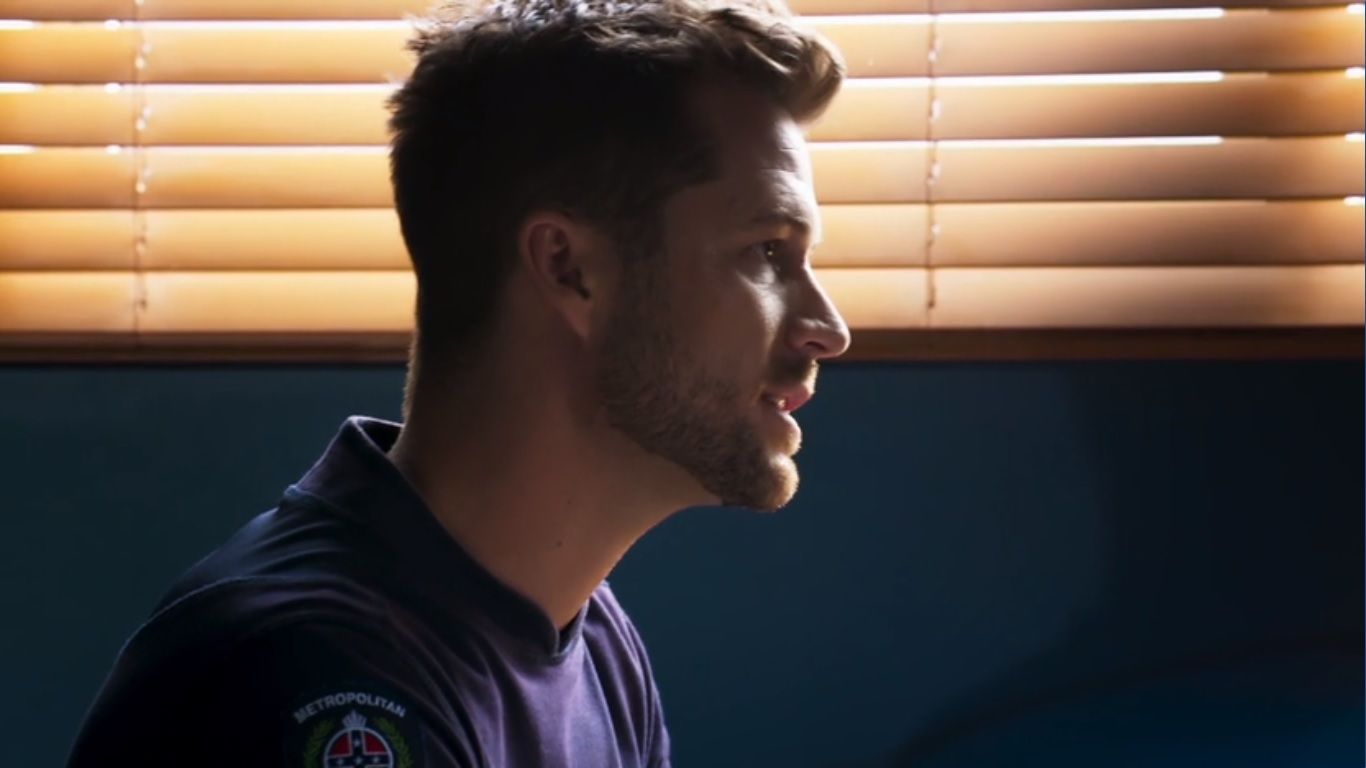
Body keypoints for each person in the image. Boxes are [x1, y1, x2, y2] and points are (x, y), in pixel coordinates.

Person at [67, 0, 850, 765]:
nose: (828, 327)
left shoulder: (590, 638)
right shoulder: (314, 680)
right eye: (766, 252)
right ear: (569, 269)